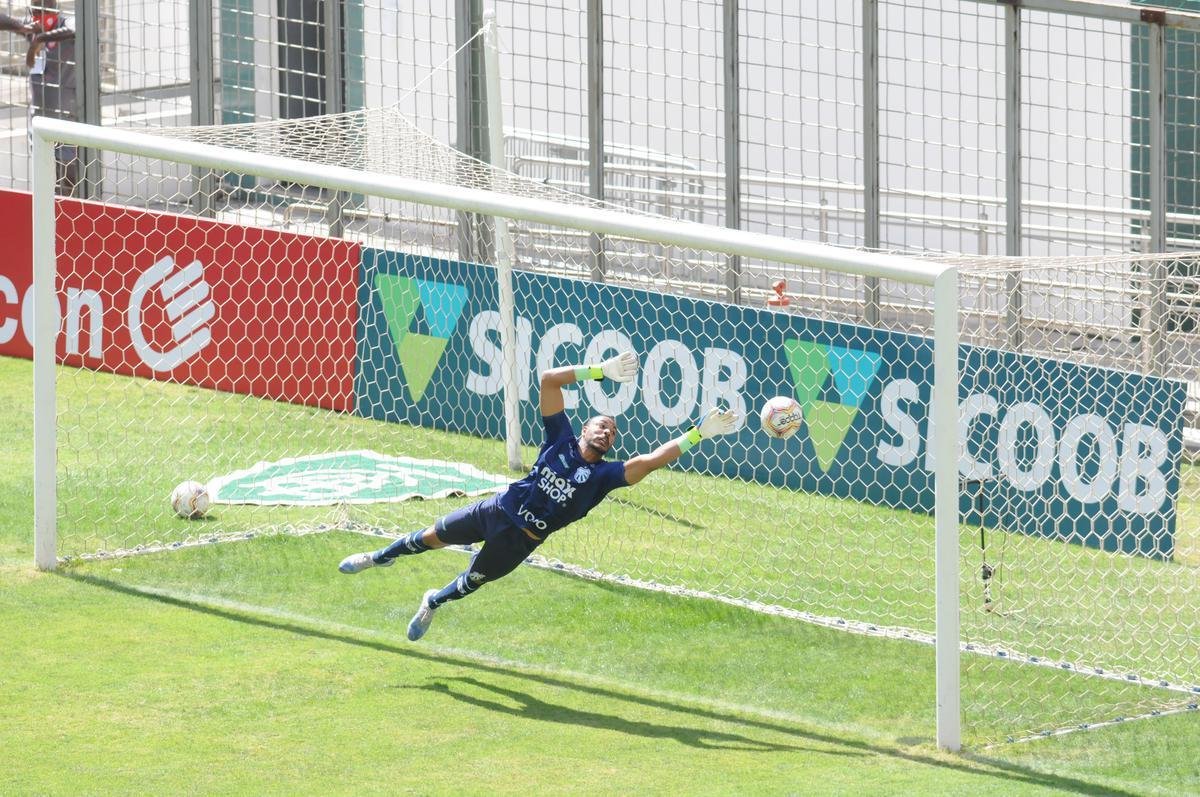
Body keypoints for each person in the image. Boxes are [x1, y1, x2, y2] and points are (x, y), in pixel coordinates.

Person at [338, 350, 738, 641]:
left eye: (612, 433)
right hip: (495, 511)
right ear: (583, 429)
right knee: (428, 538)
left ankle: (433, 602)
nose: (606, 432)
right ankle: (376, 558)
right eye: (600, 426)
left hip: (520, 542)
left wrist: (699, 433)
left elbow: (651, 460)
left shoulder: (604, 476)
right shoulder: (558, 438)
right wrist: (600, 371)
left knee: (472, 582)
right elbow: (549, 379)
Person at [0, 0, 79, 195]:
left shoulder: (65, 23)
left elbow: (76, 28)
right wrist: (21, 26)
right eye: (34, 11)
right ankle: (48, 217)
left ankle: (70, 213)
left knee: (68, 173)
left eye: (41, 11)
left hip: (66, 115)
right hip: (40, 118)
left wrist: (40, 39)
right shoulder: (31, 27)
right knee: (43, 175)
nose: (37, 16)